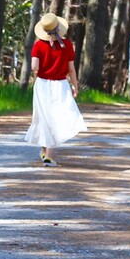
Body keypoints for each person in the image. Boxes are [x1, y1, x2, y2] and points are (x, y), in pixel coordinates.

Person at [24, 13, 87, 166]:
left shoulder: (38, 45)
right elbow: (71, 69)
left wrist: (41, 70)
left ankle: (45, 151)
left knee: (44, 117)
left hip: (42, 84)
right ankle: (49, 156)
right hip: (60, 85)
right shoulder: (67, 45)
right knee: (57, 118)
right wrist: (75, 86)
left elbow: (34, 67)